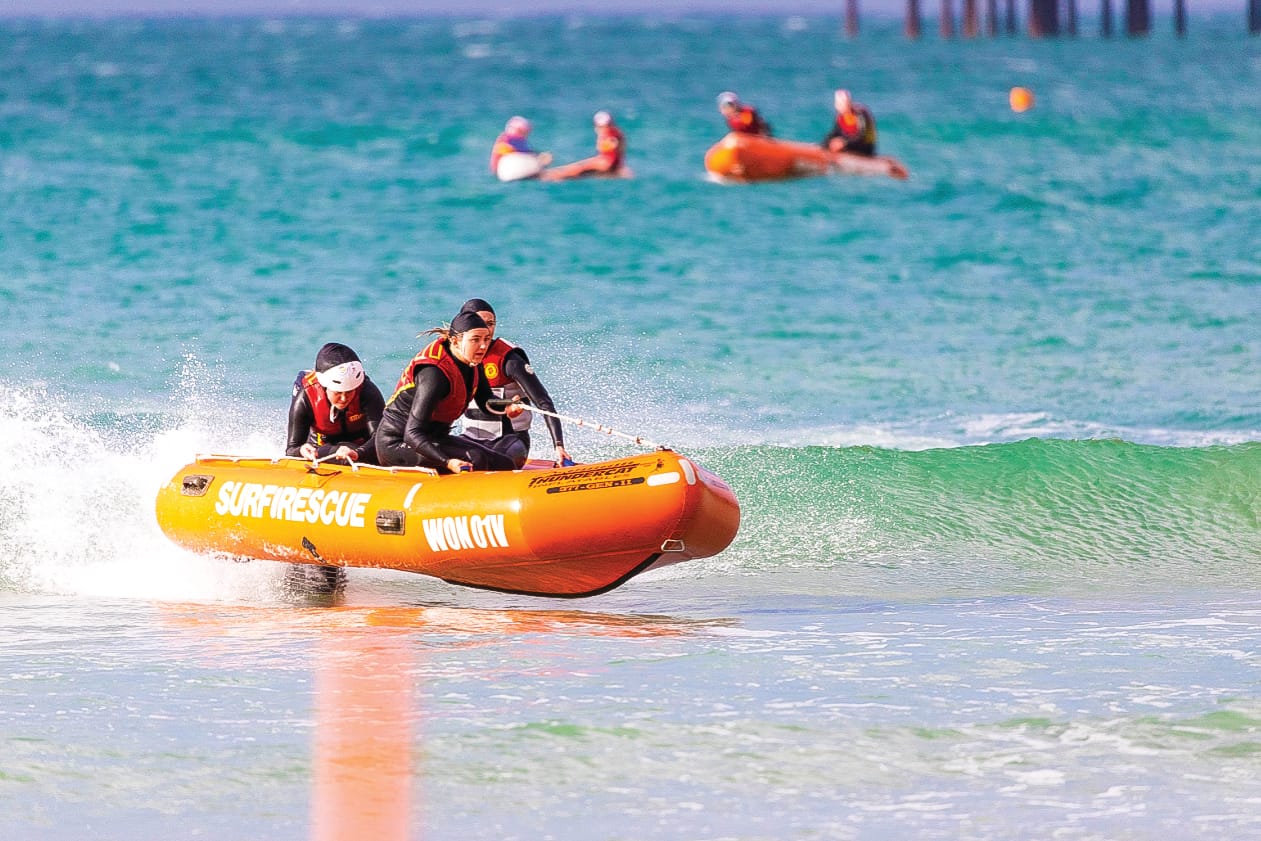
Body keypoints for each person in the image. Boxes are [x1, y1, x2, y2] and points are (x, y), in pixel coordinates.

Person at [375, 311, 528, 473]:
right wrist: (447, 462)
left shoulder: (473, 361)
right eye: (475, 340)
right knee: (477, 459)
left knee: (504, 463)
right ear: (455, 341)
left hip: (435, 439)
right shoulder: (435, 374)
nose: (483, 346)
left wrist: (507, 406)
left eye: (486, 339)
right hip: (398, 444)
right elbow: (412, 433)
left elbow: (486, 401)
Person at [456, 298, 573, 467]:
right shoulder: (457, 357)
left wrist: (559, 445)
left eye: (490, 323)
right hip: (471, 439)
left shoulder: (509, 359)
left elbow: (543, 402)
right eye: (479, 322)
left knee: (488, 460)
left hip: (510, 441)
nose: (486, 329)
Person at [285, 342, 384, 465]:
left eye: (349, 392)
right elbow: (291, 449)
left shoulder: (367, 391)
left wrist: (358, 453)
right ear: (325, 387)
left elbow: (381, 438)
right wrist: (301, 451)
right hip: (322, 448)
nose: (343, 399)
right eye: (338, 393)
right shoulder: (306, 396)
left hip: (361, 448)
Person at [541, 110, 628, 181]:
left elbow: (609, 148)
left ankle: (553, 175)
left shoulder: (610, 133)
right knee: (579, 167)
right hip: (609, 162)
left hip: (605, 162)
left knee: (579, 167)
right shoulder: (616, 133)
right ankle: (555, 174)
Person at [488, 116, 552, 174]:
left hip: (500, 170)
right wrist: (539, 156)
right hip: (507, 169)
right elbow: (524, 151)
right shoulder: (510, 138)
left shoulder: (504, 138)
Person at [823, 88, 877, 157]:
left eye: (843, 102)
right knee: (831, 143)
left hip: (866, 147)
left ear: (849, 102)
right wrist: (826, 143)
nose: (841, 106)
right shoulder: (840, 118)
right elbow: (834, 133)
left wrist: (844, 143)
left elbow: (861, 136)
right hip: (851, 144)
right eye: (838, 103)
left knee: (839, 145)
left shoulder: (860, 114)